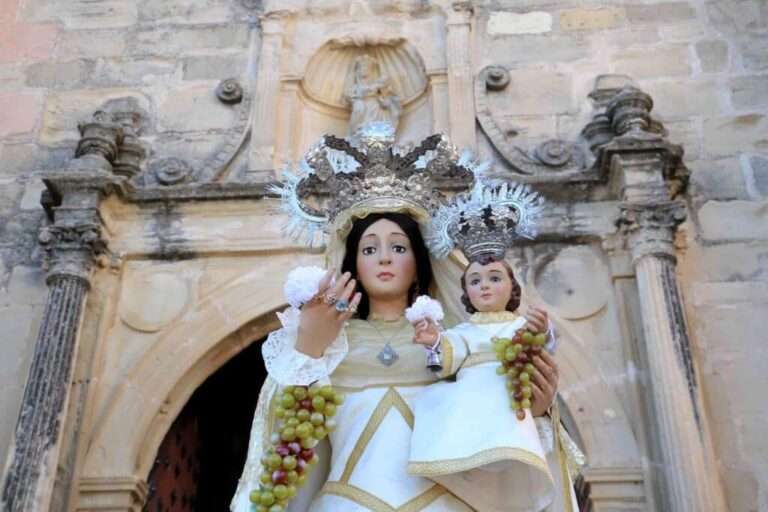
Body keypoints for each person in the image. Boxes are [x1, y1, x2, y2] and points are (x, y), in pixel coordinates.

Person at [231, 125, 572, 511]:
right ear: (352, 262)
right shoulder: (329, 344)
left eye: (398, 247)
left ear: (420, 260)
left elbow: (490, 418)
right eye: (369, 249)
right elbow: (286, 444)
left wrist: (533, 411)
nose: (384, 258)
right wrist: (309, 350)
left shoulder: (455, 340)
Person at [407, 254, 579, 511]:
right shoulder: (464, 331)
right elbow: (448, 359)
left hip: (510, 397)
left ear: (513, 288)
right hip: (473, 399)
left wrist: (541, 329)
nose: (484, 286)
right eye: (475, 281)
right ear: (466, 292)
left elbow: (541, 346)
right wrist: (434, 341)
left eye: (495, 278)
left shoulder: (521, 326)